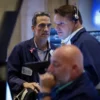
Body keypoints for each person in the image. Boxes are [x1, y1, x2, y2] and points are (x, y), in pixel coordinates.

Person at [7, 12, 55, 96]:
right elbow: (10, 76)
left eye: (48, 25)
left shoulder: (57, 51)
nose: (46, 29)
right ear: (33, 28)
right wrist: (24, 84)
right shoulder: (20, 49)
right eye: (42, 25)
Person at [53, 4, 100, 86]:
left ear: (76, 22)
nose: (56, 28)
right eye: (56, 24)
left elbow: (93, 76)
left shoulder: (86, 42)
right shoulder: (77, 41)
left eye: (61, 23)